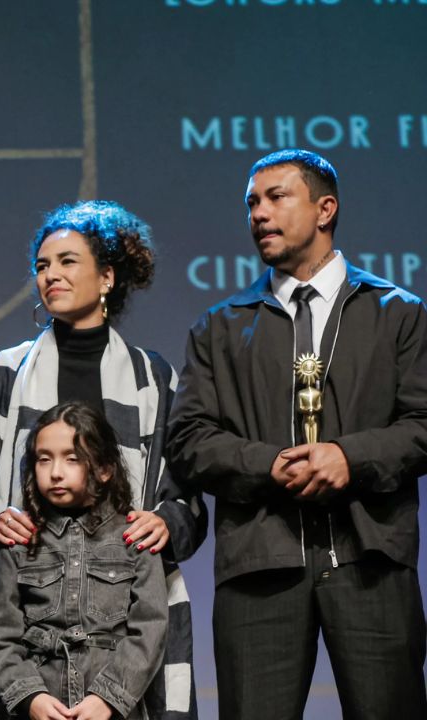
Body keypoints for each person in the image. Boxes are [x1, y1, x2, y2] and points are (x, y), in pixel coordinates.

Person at [168, 149, 427, 718]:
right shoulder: (220, 326)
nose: (259, 213)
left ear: (325, 208)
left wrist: (349, 456)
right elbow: (188, 437)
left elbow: (423, 423)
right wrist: (268, 466)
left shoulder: (398, 313)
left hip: (371, 560)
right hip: (260, 564)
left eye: (276, 197)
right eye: (251, 203)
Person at [0, 201, 205, 720]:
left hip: (125, 617)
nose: (49, 275)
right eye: (41, 265)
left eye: (66, 262)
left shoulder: (152, 378)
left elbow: (186, 494)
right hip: (20, 611)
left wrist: (166, 521)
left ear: (107, 276)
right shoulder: (5, 374)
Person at [0, 401, 168, 720]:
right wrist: (31, 696)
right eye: (43, 459)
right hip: (38, 708)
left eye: (72, 459)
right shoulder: (21, 541)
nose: (55, 472)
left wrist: (108, 698)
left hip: (112, 710)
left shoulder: (134, 537)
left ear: (105, 468)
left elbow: (150, 629)